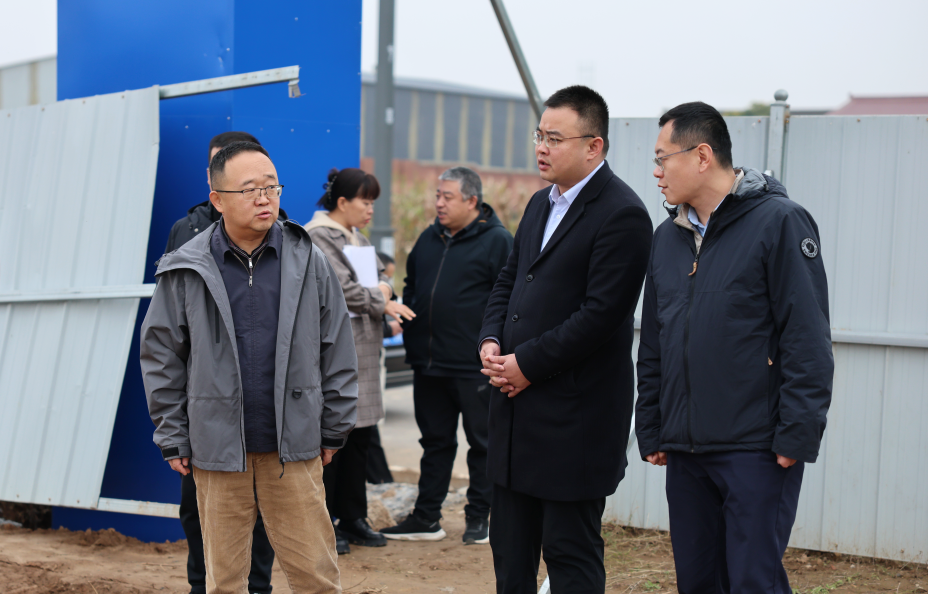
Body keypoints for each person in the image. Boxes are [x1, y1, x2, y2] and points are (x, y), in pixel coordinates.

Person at [141, 141, 358, 593]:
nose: (264, 198)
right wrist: (173, 433)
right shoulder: (187, 267)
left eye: (271, 187)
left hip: (295, 447)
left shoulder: (309, 259)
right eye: (250, 189)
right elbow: (161, 356)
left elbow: (337, 346)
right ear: (217, 200)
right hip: (217, 450)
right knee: (224, 581)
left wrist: (334, 427)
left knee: (316, 577)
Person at [635, 102, 833, 593]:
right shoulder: (666, 238)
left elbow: (806, 336)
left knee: (751, 582)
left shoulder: (779, 222)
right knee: (697, 581)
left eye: (662, 158)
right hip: (686, 450)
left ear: (702, 156)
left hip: (756, 448)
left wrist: (797, 434)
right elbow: (655, 341)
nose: (656, 171)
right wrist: (653, 425)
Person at [477, 86, 652, 592]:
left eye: (555, 138)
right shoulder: (540, 204)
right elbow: (509, 279)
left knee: (569, 555)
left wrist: (526, 364)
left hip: (574, 423)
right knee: (510, 554)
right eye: (540, 136)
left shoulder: (622, 213)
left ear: (594, 146)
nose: (541, 147)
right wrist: (491, 338)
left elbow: (601, 316)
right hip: (515, 419)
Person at [162, 131, 281, 594]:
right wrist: (177, 422)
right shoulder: (187, 232)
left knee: (265, 512)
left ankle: (259, 586)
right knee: (199, 510)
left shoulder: (286, 236)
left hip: (267, 414)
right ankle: (202, 585)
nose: (258, 195)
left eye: (263, 184)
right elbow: (167, 337)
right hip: (208, 415)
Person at [381, 166, 513, 545]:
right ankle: (426, 519)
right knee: (435, 443)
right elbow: (412, 285)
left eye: (447, 197)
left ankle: (479, 518)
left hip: (474, 366)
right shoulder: (429, 238)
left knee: (483, 444)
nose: (438, 203)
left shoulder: (498, 241)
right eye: (437, 195)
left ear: (472, 201)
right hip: (429, 364)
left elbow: (508, 299)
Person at [305, 168, 416, 554]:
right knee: (332, 442)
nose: (370, 210)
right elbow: (345, 290)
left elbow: (381, 282)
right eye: (365, 202)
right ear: (342, 202)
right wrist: (382, 295)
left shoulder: (358, 238)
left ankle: (353, 517)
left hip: (366, 353)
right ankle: (325, 523)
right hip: (334, 352)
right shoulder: (318, 237)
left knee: (361, 439)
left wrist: (383, 292)